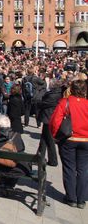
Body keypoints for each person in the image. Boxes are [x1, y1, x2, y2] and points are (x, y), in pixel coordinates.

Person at [49, 80, 88, 209]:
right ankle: (81, 199)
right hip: (85, 140)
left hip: (69, 139)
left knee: (69, 168)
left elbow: (55, 121)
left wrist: (55, 136)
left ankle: (71, 197)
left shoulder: (65, 102)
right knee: (83, 169)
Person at [0, 115, 30, 191]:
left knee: (1, 159)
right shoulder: (16, 135)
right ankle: (9, 185)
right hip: (14, 168)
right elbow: (22, 148)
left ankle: (3, 183)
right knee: (17, 162)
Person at [37, 79, 63, 167]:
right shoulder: (57, 93)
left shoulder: (53, 95)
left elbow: (42, 103)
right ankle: (39, 155)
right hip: (48, 117)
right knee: (44, 138)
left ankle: (53, 160)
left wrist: (38, 102)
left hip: (49, 118)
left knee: (49, 139)